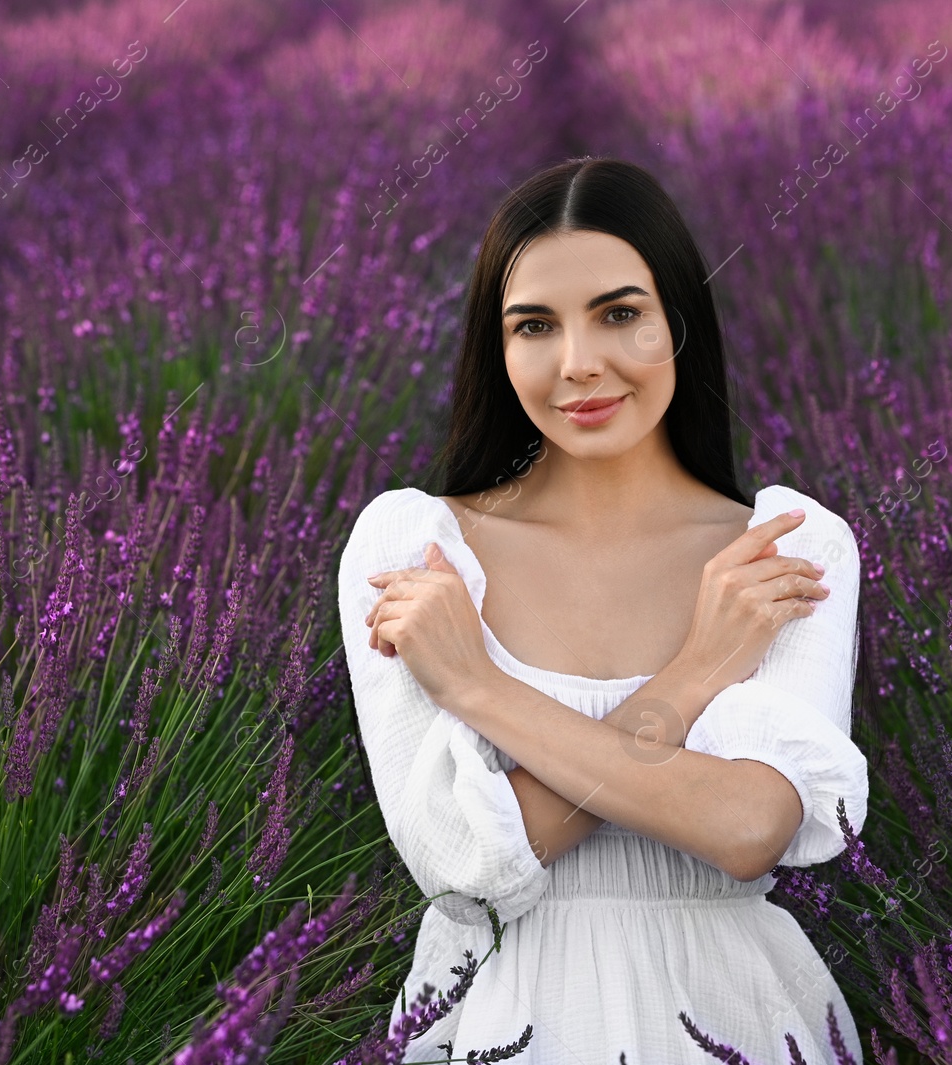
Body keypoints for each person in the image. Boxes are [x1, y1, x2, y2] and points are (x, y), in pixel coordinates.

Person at [336, 157, 866, 1064]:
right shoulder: (413, 549)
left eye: (620, 314)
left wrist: (477, 685)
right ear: (496, 350)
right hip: (494, 1015)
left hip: (736, 1014)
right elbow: (460, 860)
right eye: (534, 325)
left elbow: (747, 828)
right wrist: (700, 670)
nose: (579, 364)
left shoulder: (786, 549)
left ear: (679, 327)